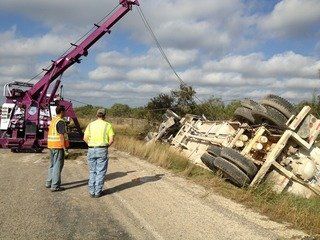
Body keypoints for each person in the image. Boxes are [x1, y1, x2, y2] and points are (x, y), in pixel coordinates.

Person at [84, 108, 115, 198]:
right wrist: (105, 146)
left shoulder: (90, 125)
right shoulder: (107, 125)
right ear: (104, 116)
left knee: (92, 171)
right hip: (102, 149)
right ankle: (97, 192)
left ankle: (91, 191)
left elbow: (85, 138)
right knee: (100, 171)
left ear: (97, 115)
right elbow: (111, 140)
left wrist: (90, 144)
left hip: (91, 149)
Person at [46, 105, 69, 192]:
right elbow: (61, 135)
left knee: (52, 165)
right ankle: (55, 186)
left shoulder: (54, 120)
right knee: (57, 166)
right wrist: (64, 148)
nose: (66, 113)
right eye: (65, 111)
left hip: (51, 145)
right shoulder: (60, 121)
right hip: (58, 146)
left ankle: (49, 182)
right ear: (62, 112)